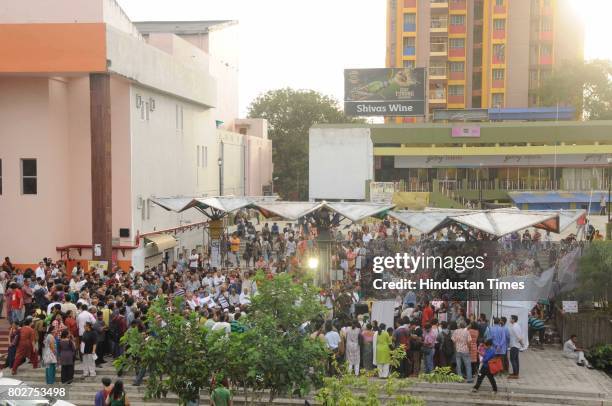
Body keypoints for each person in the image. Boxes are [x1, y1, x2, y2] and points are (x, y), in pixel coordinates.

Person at [508, 315, 524, 379]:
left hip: (514, 345)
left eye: (511, 318)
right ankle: (516, 373)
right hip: (516, 345)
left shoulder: (514, 327)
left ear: (513, 320)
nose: (510, 319)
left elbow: (518, 336)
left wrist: (522, 344)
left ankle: (515, 374)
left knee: (512, 359)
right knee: (516, 360)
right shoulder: (517, 325)